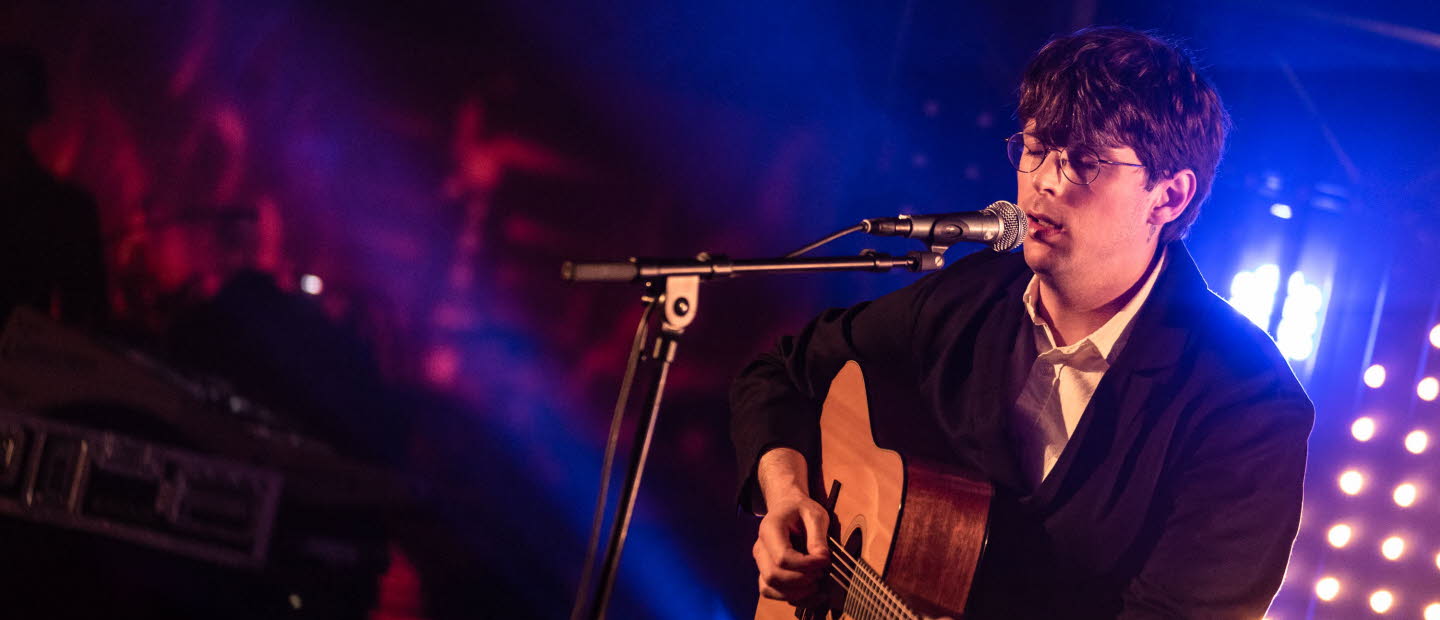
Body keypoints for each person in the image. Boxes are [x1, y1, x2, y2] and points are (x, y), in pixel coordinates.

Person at [730, 26, 1312, 619]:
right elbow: (782, 372)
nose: (1043, 182)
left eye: (1084, 162)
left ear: (1168, 197)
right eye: (1035, 149)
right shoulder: (973, 295)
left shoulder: (1246, 405)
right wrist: (786, 494)